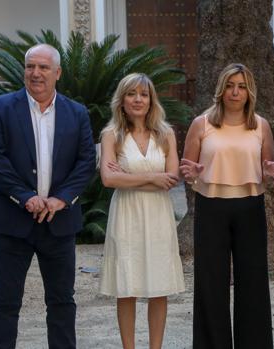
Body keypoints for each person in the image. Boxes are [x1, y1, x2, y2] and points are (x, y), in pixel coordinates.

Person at [0, 43, 96, 349]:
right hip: (11, 221)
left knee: (62, 302)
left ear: (57, 73)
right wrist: (25, 196)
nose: (36, 73)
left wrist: (61, 199)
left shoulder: (77, 113)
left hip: (59, 223)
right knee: (5, 302)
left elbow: (86, 163)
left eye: (43, 67)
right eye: (30, 66)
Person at [180, 63, 274, 349]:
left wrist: (268, 174)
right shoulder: (202, 124)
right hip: (211, 206)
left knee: (253, 281)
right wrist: (188, 173)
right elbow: (187, 168)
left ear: (249, 91)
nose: (235, 92)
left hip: (250, 207)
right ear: (221, 89)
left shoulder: (260, 125)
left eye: (241, 86)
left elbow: (267, 169)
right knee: (210, 282)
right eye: (230, 85)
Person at [98, 73, 185, 349]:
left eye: (143, 94)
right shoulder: (111, 135)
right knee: (127, 286)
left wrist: (130, 177)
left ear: (151, 100)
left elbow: (170, 180)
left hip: (158, 217)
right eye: (131, 93)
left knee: (159, 288)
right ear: (121, 100)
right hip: (126, 216)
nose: (138, 99)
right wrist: (152, 178)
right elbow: (109, 180)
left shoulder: (167, 134)